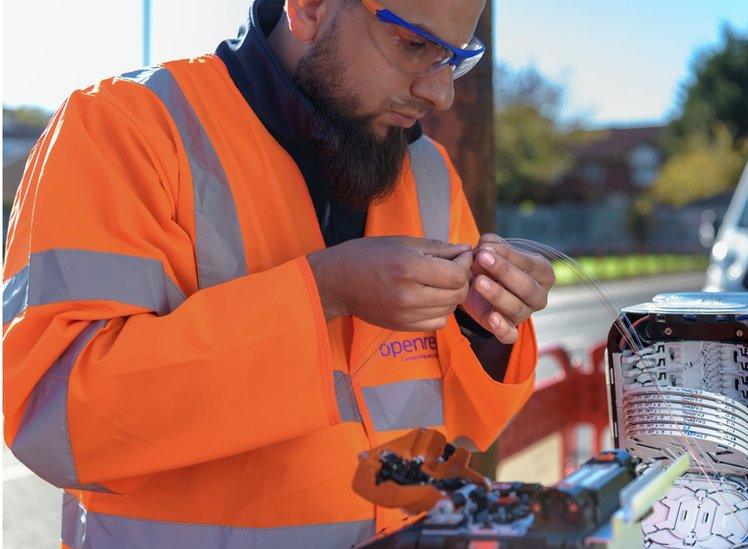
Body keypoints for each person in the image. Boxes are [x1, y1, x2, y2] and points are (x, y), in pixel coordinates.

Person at [2, 0, 555, 546]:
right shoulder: (124, 128)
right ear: (310, 8)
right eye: (413, 45)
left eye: (455, 59)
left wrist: (484, 330)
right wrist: (321, 292)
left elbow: (455, 428)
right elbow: (59, 423)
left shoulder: (428, 169)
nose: (440, 93)